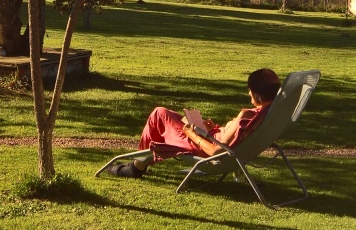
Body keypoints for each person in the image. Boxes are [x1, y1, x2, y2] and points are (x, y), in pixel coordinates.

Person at [110, 69, 281, 177]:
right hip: (212, 139)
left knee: (159, 114)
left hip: (205, 150)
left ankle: (137, 167)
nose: (249, 92)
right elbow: (233, 140)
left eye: (250, 89)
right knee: (173, 117)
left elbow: (215, 151)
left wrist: (193, 134)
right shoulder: (270, 113)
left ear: (257, 93)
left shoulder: (247, 115)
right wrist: (211, 130)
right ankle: (140, 163)